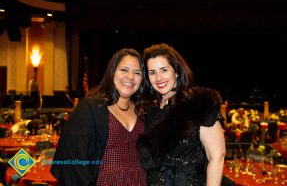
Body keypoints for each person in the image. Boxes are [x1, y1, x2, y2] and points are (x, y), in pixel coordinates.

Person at [51, 48, 147, 186]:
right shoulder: (89, 109)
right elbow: (75, 160)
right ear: (112, 72)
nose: (130, 77)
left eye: (137, 73)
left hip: (140, 181)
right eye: (124, 70)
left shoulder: (143, 111)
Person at [137, 43, 226, 186]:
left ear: (176, 72)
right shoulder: (147, 111)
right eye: (152, 72)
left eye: (164, 70)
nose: (158, 78)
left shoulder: (199, 103)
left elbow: (217, 157)